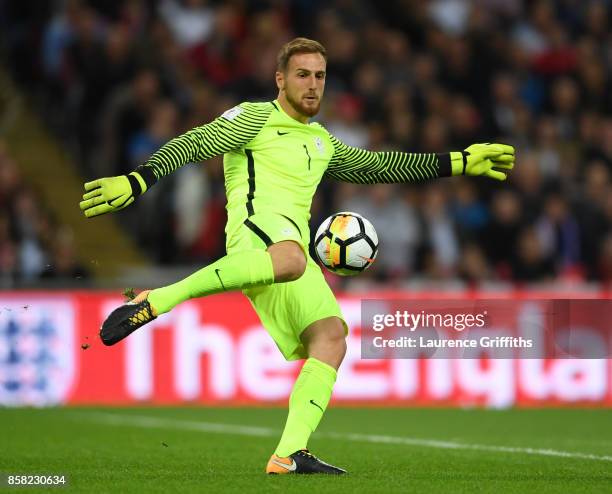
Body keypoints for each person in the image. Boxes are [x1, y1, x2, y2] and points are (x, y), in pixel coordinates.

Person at [79, 37, 515, 474]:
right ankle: (157, 300)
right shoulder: (253, 118)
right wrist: (137, 181)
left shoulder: (323, 141)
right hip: (255, 238)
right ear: (280, 79)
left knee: (330, 337)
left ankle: (289, 453)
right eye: (302, 75)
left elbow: (380, 166)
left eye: (320, 76)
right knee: (292, 259)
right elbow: (194, 143)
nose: (312, 85)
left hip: (291, 251)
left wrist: (459, 161)